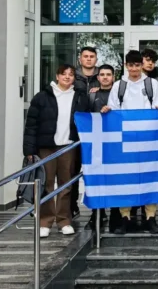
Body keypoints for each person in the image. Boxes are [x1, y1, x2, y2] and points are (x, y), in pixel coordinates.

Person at [101, 50, 158, 235]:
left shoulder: (152, 84)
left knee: (149, 176)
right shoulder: (118, 86)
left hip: (148, 139)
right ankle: (125, 218)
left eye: (137, 65)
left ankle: (150, 217)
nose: (134, 69)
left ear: (142, 65)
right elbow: (113, 110)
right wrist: (106, 110)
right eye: (131, 65)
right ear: (126, 66)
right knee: (126, 177)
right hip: (126, 140)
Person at [23, 64, 88, 239]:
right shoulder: (42, 97)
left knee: (66, 185)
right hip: (46, 147)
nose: (67, 77)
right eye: (64, 74)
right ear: (57, 76)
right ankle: (45, 222)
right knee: (47, 185)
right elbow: (31, 125)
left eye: (71, 74)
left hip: (69, 146)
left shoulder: (80, 97)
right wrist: (28, 149)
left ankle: (64, 221)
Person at [71, 46, 101, 218]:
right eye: (85, 56)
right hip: (76, 130)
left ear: (96, 59)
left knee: (97, 169)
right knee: (73, 169)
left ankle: (98, 211)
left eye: (92, 56)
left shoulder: (102, 76)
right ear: (80, 59)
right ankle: (72, 206)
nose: (89, 59)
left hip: (98, 130)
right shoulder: (72, 77)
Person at [86, 64, 115, 229]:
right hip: (97, 143)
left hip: (116, 142)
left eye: (108, 74)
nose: (105, 77)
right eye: (102, 74)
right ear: (98, 78)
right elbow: (86, 117)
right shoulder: (92, 95)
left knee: (114, 179)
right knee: (98, 178)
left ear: (113, 77)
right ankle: (97, 212)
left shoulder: (120, 94)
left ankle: (116, 214)